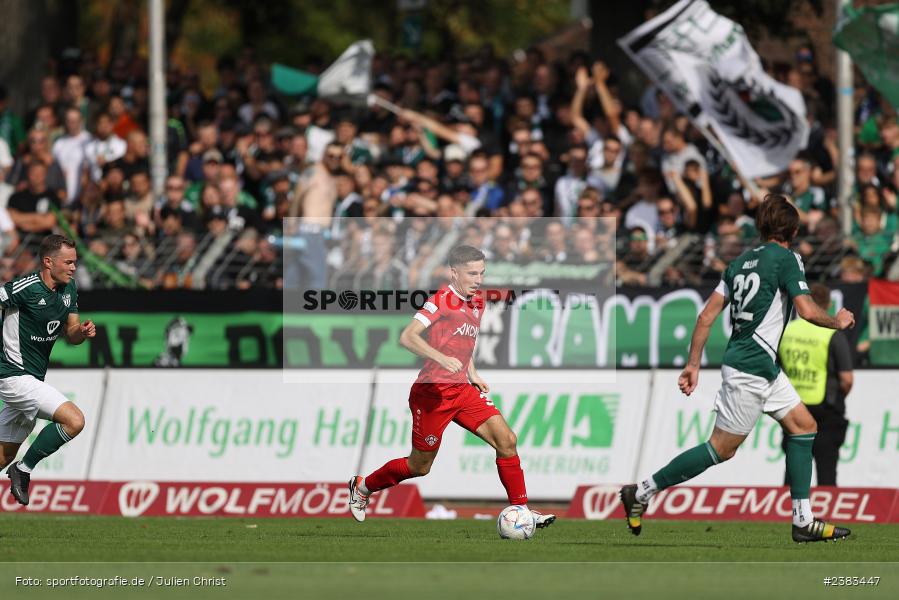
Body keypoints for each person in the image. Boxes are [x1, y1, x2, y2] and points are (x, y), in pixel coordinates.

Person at [619, 195, 855, 543]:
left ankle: (803, 520)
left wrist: (693, 364)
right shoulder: (788, 259)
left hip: (760, 365)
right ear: (792, 229)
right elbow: (806, 309)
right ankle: (641, 491)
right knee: (720, 449)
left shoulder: (739, 263)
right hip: (751, 368)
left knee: (804, 425)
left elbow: (706, 316)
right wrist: (836, 320)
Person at [347, 245, 556, 529]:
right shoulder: (440, 301)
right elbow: (407, 337)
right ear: (454, 272)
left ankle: (521, 509)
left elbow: (464, 344)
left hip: (462, 390)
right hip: (432, 394)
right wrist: (440, 358)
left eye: (482, 273)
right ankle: (363, 487)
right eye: (472, 273)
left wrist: (473, 373)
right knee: (419, 466)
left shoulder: (478, 302)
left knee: (506, 440)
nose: (479, 279)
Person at [1, 235, 96, 505]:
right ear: (47, 262)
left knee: (4, 455)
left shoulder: (69, 289)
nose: (74, 267)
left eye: (75, 262)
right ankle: (24, 469)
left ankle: (15, 464)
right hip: (13, 376)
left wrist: (82, 332)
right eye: (68, 262)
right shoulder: (26, 287)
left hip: (32, 379)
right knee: (74, 420)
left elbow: (72, 335)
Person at [778, 283, 853, 486]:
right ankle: (825, 512)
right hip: (826, 410)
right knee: (826, 473)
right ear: (827, 304)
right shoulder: (832, 334)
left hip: (793, 407)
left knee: (793, 469)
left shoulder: (787, 330)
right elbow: (847, 379)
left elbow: (777, 368)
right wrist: (837, 397)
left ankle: (785, 512)